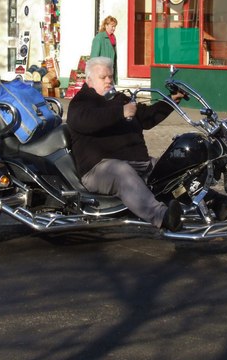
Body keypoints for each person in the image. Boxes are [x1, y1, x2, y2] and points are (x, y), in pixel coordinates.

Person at [66, 56, 184, 231]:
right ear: (89, 80)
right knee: (122, 172)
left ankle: (214, 202)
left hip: (139, 163)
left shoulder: (118, 98)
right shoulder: (81, 102)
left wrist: (170, 101)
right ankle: (163, 217)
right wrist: (120, 112)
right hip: (99, 169)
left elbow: (146, 117)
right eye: (103, 77)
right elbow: (86, 121)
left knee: (170, 167)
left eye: (110, 77)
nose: (108, 81)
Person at [90, 16, 118, 83]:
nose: (114, 29)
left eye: (115, 26)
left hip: (110, 71)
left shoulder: (113, 37)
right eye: (112, 26)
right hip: (102, 73)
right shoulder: (99, 38)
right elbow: (94, 57)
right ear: (106, 25)